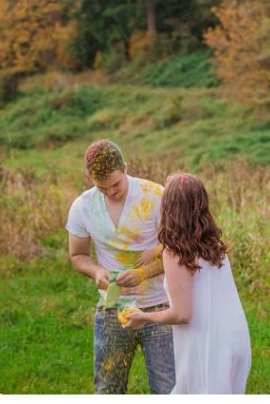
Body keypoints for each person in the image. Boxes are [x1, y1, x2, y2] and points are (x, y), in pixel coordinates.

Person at [123, 173, 251, 394]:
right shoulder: (213, 243)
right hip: (234, 336)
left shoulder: (175, 251)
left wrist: (143, 316)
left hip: (206, 344)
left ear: (167, 207)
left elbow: (182, 314)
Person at [66, 139, 174, 393]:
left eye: (116, 184)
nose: (111, 192)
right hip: (112, 308)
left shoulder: (156, 195)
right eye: (102, 188)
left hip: (160, 307)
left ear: (126, 167)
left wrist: (142, 273)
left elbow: (179, 248)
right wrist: (96, 272)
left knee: (169, 389)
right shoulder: (82, 206)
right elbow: (78, 255)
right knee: (108, 388)